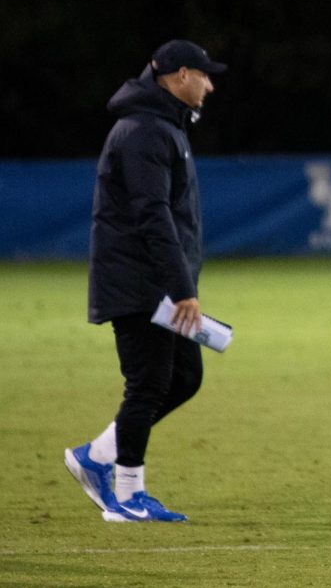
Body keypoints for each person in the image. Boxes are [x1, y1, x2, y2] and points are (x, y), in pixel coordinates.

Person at [64, 39, 226, 523]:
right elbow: (152, 216)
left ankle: (96, 456)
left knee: (184, 378)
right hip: (140, 284)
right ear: (179, 76)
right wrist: (182, 288)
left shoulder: (162, 127)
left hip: (155, 282)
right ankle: (129, 494)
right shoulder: (144, 132)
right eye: (204, 75)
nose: (210, 84)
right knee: (149, 384)